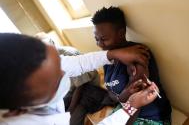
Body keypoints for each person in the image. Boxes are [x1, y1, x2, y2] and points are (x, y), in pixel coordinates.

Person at [0, 33, 158, 125]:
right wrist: (130, 106)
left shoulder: (37, 70)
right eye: (53, 81)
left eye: (59, 64)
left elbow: (77, 63)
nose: (63, 74)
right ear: (18, 110)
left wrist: (112, 55)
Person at [92, 6, 172, 124]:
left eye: (104, 39)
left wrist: (120, 97)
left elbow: (136, 101)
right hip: (126, 110)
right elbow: (110, 91)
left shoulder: (139, 53)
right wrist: (122, 96)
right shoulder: (108, 57)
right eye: (96, 39)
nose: (99, 44)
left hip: (149, 117)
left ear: (121, 33)